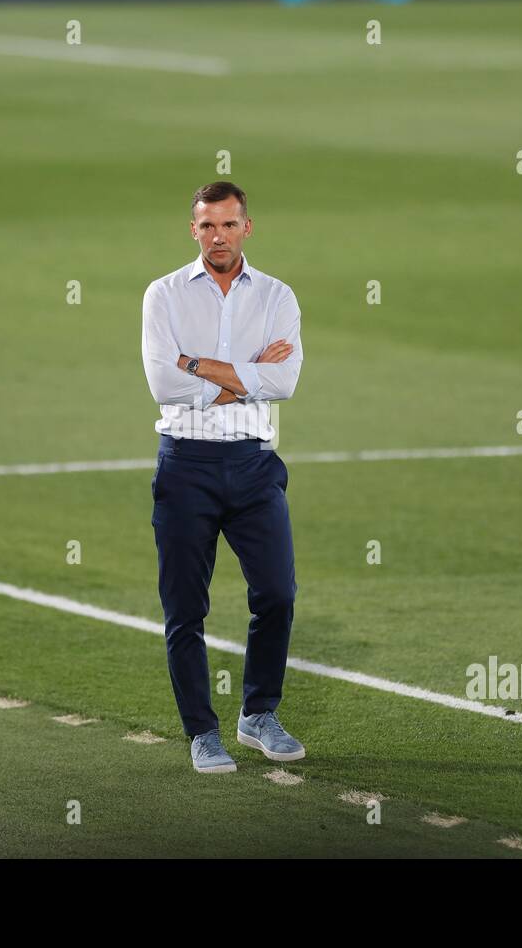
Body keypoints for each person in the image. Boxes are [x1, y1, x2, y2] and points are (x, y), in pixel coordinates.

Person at [141, 180, 306, 773]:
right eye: (207, 226)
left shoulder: (277, 296)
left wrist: (197, 366)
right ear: (193, 230)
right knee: (185, 607)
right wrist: (244, 374)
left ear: (247, 227)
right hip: (185, 464)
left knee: (278, 595)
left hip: (255, 463)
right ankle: (202, 731)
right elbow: (164, 384)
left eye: (229, 224)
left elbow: (283, 383)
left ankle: (258, 714)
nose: (218, 236)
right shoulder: (162, 295)